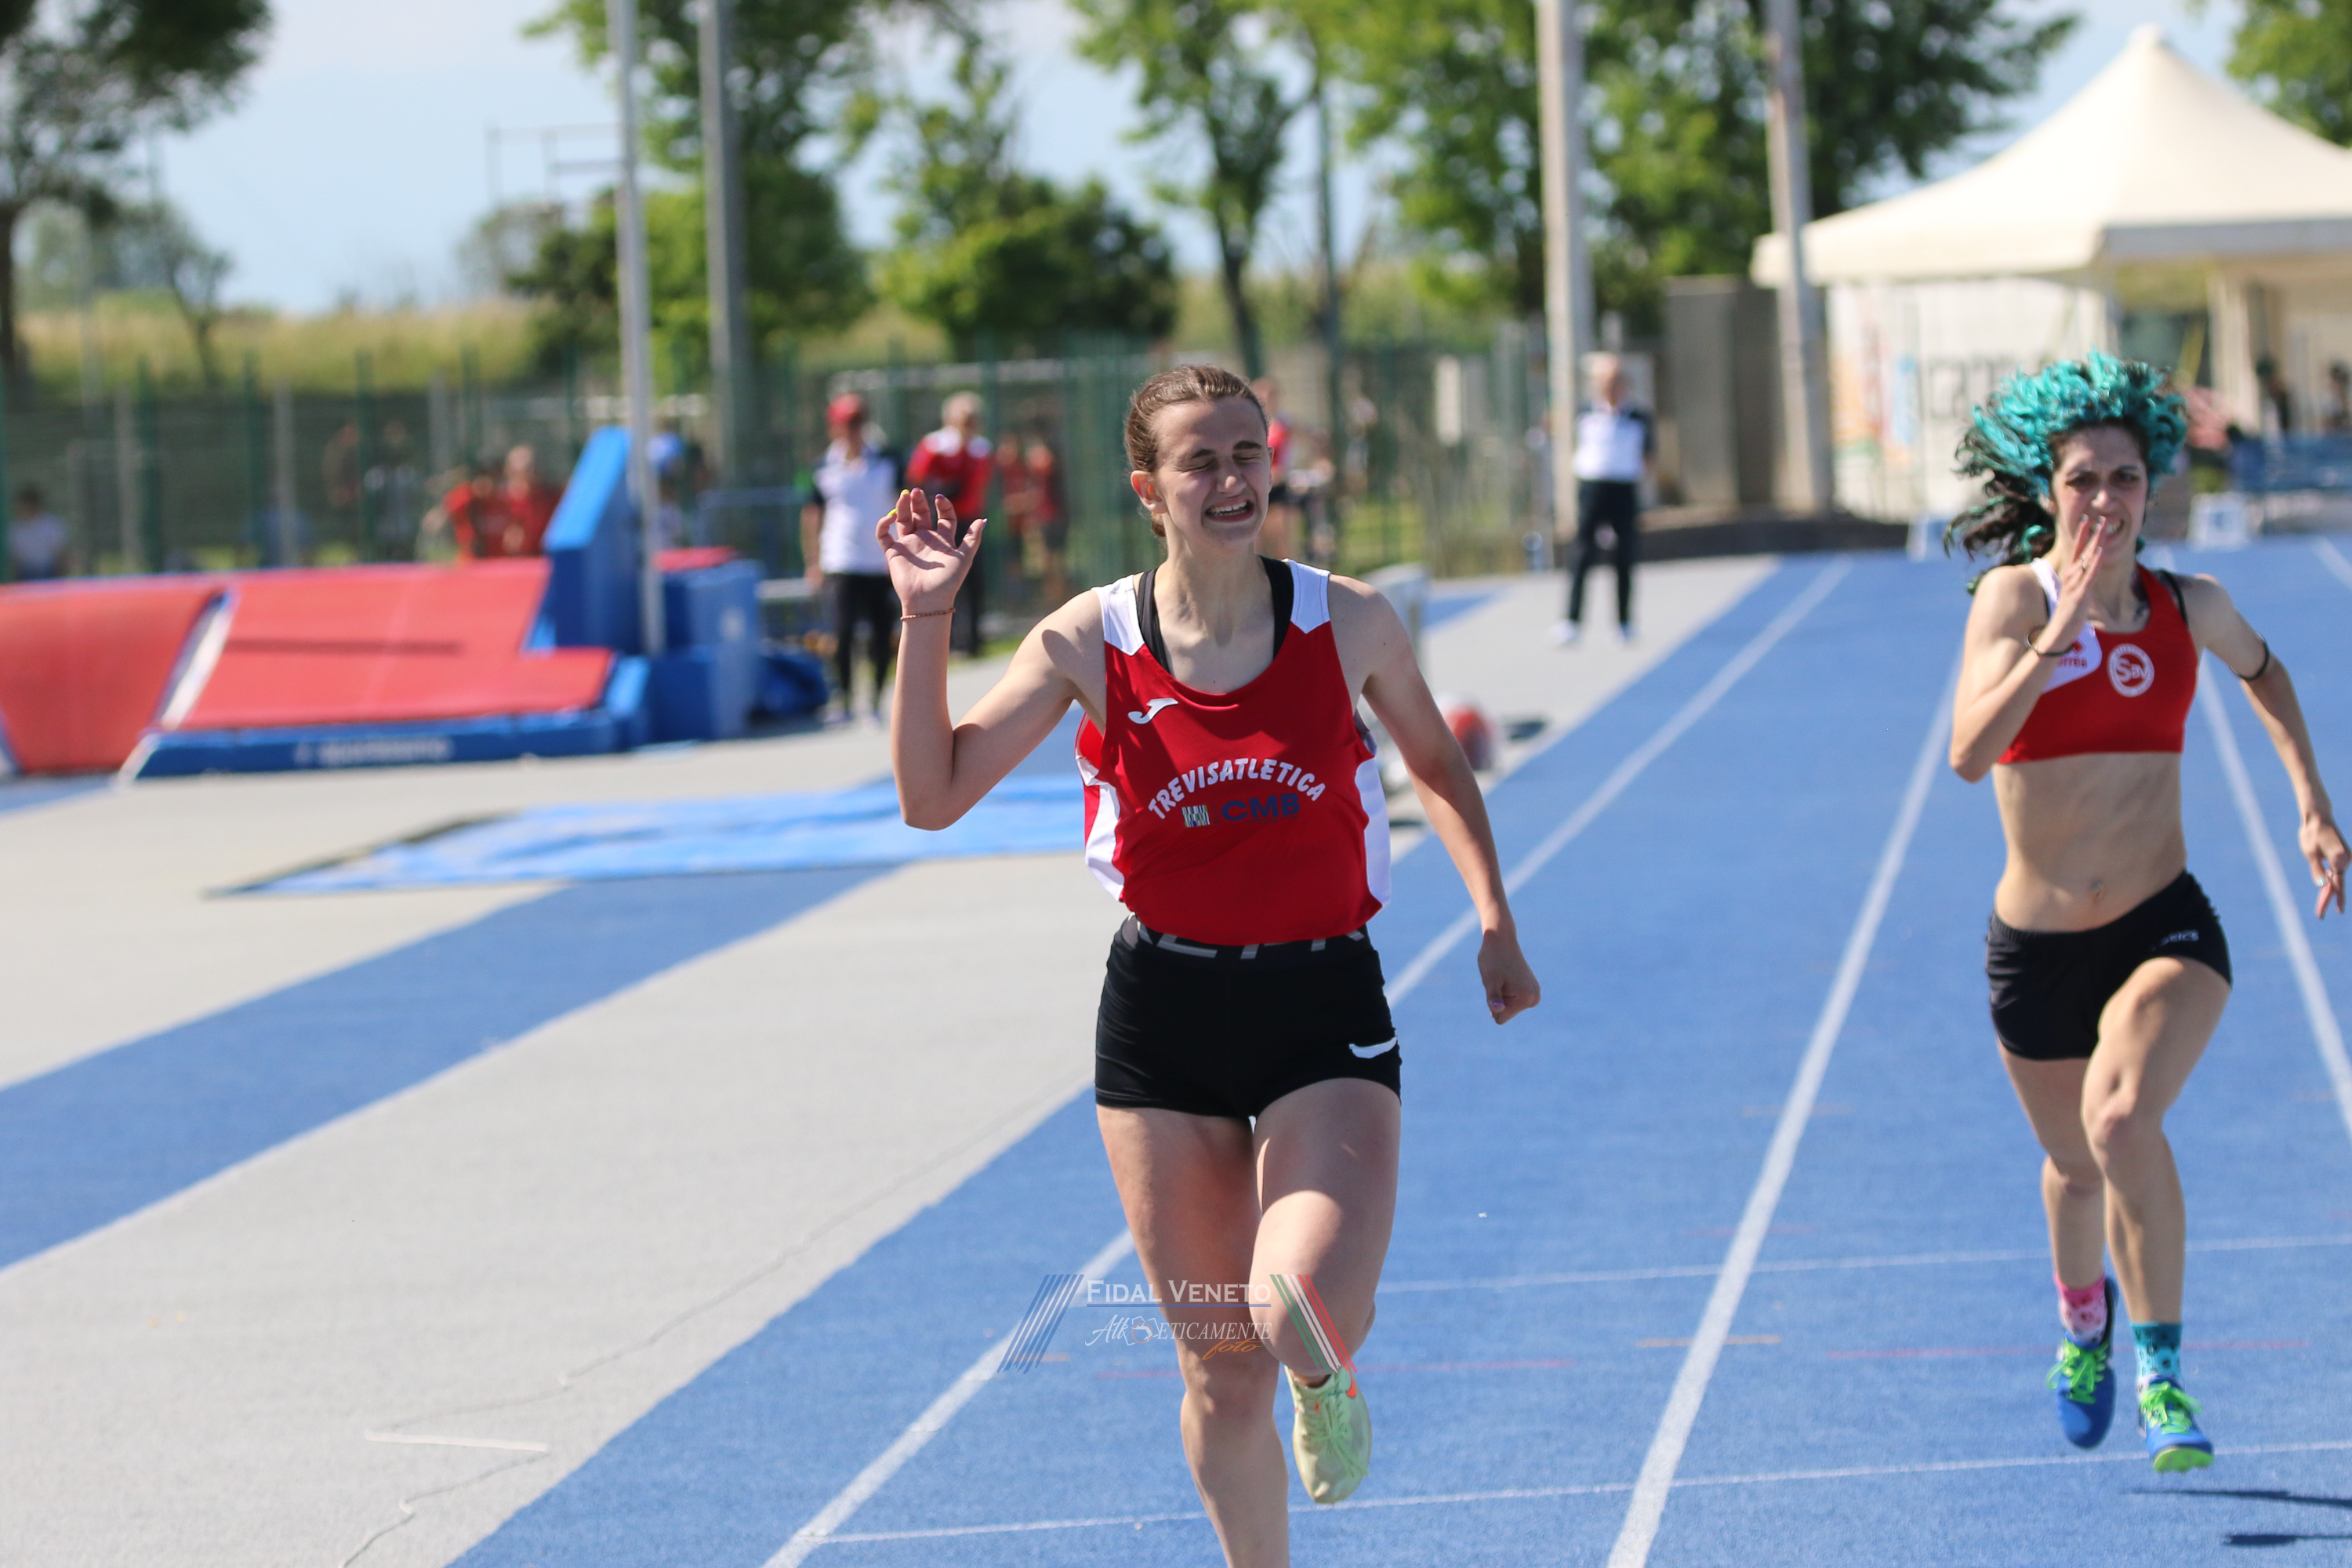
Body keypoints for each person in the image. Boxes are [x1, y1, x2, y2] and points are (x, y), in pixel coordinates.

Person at [885, 365, 1540, 1567]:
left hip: (1320, 1004)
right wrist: (926, 620)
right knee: (1218, 1369)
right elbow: (932, 795)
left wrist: (1494, 917)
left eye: (1248, 454)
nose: (1232, 480)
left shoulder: (1347, 622)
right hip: (1163, 1018)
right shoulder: (1089, 640)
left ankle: (1324, 1372)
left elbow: (1439, 766)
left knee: (1292, 1310)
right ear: (1149, 490)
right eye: (1201, 461)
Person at [1947, 354, 2348, 1472]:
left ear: (2151, 486)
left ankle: (2164, 1369)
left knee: (2123, 1123)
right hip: (2035, 951)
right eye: (2082, 479)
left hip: (2162, 926)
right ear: (2049, 490)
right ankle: (2085, 1327)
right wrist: (2060, 629)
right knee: (2077, 1167)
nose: (2105, 500)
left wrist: (2313, 803)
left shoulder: (2188, 606)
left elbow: (2266, 673)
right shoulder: (2015, 601)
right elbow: (1969, 755)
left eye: (2125, 477)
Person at [803, 393, 902, 725]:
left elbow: (903, 504)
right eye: (846, 423)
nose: (853, 430)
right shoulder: (823, 466)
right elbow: (813, 514)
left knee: (881, 634)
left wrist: (903, 552)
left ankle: (875, 700)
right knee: (842, 631)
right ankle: (843, 699)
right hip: (840, 559)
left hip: (880, 561)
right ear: (834, 427)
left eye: (858, 422)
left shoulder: (888, 460)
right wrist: (813, 561)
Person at [1553, 353, 1653, 645]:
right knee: (1582, 554)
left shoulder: (1638, 416)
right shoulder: (1584, 412)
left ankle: (1624, 622)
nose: (1610, 387)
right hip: (1592, 488)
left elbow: (1649, 455)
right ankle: (1571, 621)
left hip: (1623, 488)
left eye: (1615, 380)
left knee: (1625, 554)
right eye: (1604, 381)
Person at [908, 392, 994, 656]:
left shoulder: (980, 449)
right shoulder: (935, 446)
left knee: (974, 581)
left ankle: (973, 639)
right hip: (942, 521)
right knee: (945, 579)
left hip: (969, 519)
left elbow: (977, 485)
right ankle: (949, 639)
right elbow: (917, 478)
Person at [1252, 376, 1299, 562]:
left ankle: (1287, 576)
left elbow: (1293, 453)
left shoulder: (1284, 425)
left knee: (1280, 541)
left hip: (1277, 487)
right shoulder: (1251, 425)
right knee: (1256, 543)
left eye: (1270, 394)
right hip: (1256, 486)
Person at [499, 445, 562, 556]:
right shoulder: (500, 503)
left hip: (543, 559)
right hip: (506, 563)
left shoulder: (552, 500)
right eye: (521, 472)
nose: (530, 475)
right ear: (508, 471)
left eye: (532, 469)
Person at [10, 485, 70, 580]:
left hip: (49, 572)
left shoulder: (50, 525)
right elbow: (16, 559)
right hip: (26, 573)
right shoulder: (17, 528)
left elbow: (60, 553)